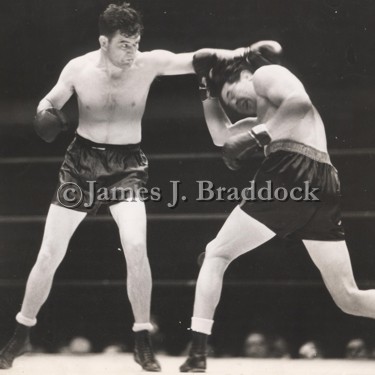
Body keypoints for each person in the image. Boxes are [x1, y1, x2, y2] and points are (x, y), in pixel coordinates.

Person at [0, 3, 248, 372]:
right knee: (50, 252)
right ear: (104, 41)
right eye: (124, 44)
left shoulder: (147, 63)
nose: (132, 51)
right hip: (81, 165)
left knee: (135, 245)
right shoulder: (78, 69)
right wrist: (44, 115)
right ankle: (21, 334)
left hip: (127, 167)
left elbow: (197, 58)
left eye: (136, 42)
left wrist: (244, 53)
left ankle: (142, 340)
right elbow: (49, 101)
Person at [180, 42, 375, 372]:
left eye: (232, 92)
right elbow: (221, 137)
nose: (235, 103)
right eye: (229, 102)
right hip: (322, 181)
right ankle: (198, 351)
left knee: (216, 253)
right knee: (348, 296)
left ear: (244, 74)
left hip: (291, 171)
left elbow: (299, 102)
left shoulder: (267, 73)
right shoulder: (264, 117)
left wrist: (259, 136)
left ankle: (198, 352)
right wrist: (208, 90)